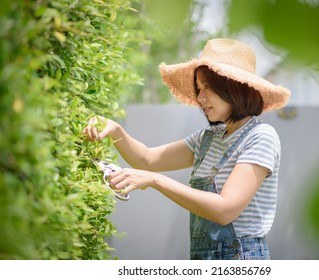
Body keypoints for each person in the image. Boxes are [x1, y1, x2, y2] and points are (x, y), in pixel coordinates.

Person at [83, 38, 290, 260]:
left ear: (234, 88)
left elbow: (225, 210)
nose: (200, 98)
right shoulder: (208, 139)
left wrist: (155, 181)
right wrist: (115, 130)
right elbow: (147, 159)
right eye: (198, 89)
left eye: (208, 88)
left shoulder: (260, 136)